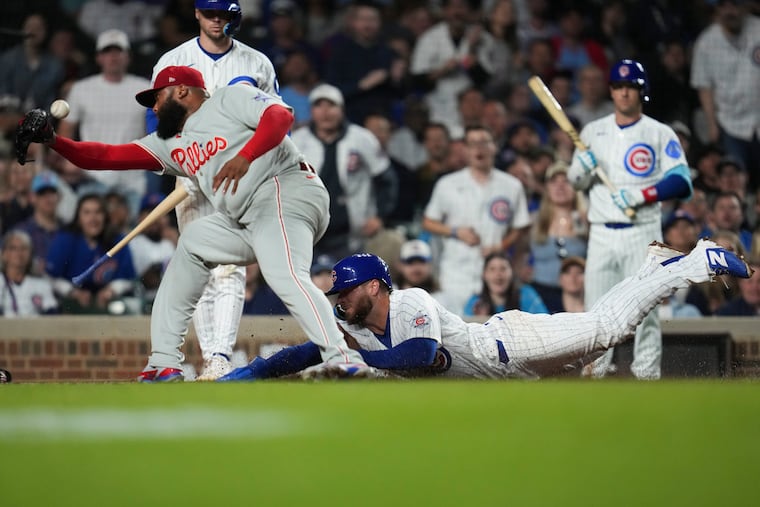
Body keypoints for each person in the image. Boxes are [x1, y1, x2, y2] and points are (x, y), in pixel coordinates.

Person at [16, 65, 372, 381]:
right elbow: (105, 157)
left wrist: (245, 157)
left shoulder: (229, 98)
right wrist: (53, 140)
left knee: (285, 275)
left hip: (285, 190)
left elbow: (280, 117)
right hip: (246, 219)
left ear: (183, 91)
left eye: (158, 97)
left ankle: (343, 358)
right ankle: (163, 363)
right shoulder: (170, 144)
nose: (154, 107)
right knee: (192, 241)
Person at [219, 238, 752, 381]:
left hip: (510, 347)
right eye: (336, 297)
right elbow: (297, 354)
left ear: (377, 288)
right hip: (508, 384)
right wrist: (241, 376)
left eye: (347, 294)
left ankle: (691, 264)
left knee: (611, 329)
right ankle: (654, 266)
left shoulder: (409, 302)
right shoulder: (350, 328)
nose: (340, 303)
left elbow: (424, 355)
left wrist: (354, 362)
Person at [146, 0, 280, 381]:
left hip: (241, 174)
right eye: (210, 13)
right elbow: (155, 118)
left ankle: (219, 357)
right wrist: (179, 161)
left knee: (230, 269)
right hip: (190, 174)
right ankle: (211, 358)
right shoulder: (173, 60)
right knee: (199, 266)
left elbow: (276, 116)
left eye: (224, 13)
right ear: (197, 14)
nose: (217, 20)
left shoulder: (257, 63)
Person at [567, 59, 692, 380]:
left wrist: (643, 194)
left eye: (631, 87)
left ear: (642, 92)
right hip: (602, 232)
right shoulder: (593, 131)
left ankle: (646, 376)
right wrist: (581, 168)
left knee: (645, 307)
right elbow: (575, 181)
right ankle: (595, 374)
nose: (624, 93)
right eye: (619, 87)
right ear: (611, 90)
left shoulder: (658, 132)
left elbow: (682, 180)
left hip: (643, 231)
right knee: (596, 311)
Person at [422, 124, 531, 314]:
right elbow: (428, 222)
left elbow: (521, 226)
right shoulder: (447, 184)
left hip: (493, 275)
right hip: (456, 272)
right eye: (472, 144)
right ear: (465, 149)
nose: (478, 149)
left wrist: (502, 245)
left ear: (494, 146)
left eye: (483, 142)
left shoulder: (511, 186)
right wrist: (456, 232)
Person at [290, 84, 397, 260]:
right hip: (307, 231)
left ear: (342, 109)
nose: (325, 112)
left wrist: (380, 216)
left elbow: (386, 179)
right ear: (311, 111)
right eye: (319, 105)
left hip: (353, 233)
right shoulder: (297, 141)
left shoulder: (362, 138)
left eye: (331, 105)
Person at [57, 29, 151, 219]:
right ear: (99, 57)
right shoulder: (81, 89)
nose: (113, 56)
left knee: (128, 238)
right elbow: (65, 131)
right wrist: (69, 161)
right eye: (108, 51)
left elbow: (154, 131)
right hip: (92, 177)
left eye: (118, 51)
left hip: (133, 179)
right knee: (88, 237)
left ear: (128, 57)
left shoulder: (145, 88)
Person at [690, 0, 760, 189]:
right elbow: (704, 87)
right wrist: (712, 124)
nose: (730, 11)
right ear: (717, 9)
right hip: (731, 124)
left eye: (735, 5)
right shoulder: (706, 43)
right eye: (724, 6)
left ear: (745, 6)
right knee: (734, 181)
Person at [45, 193, 136, 314]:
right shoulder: (64, 240)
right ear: (78, 218)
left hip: (109, 306)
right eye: (87, 213)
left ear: (105, 216)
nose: (93, 218)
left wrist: (112, 290)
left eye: (98, 212)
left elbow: (129, 279)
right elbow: (50, 277)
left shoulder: (118, 240)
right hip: (68, 307)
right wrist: (73, 292)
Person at [463, 251, 548, 317]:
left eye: (503, 269)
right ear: (484, 275)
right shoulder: (475, 303)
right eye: (492, 269)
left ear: (512, 273)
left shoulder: (526, 295)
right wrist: (479, 320)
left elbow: (544, 324)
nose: (498, 274)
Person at [13, 171, 63, 276]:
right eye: (42, 193)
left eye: (52, 192)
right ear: (32, 198)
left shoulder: (68, 230)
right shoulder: (20, 231)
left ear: (59, 196)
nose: (48, 198)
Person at [0, 229, 58, 317]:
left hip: (36, 329)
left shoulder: (42, 285)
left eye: (23, 248)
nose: (19, 253)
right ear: (4, 254)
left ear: (30, 254)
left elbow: (52, 315)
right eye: (13, 248)